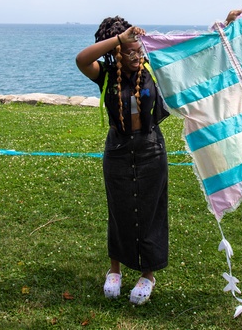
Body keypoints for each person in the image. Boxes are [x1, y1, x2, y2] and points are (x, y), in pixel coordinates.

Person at [75, 16, 171, 306]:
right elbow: (81, 59)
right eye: (129, 50)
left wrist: (226, 28)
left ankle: (147, 275)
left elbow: (193, 55)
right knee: (119, 211)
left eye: (138, 48)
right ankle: (114, 270)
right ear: (115, 51)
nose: (136, 54)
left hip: (150, 148)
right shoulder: (104, 74)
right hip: (117, 149)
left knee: (151, 212)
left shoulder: (152, 69)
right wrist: (120, 40)